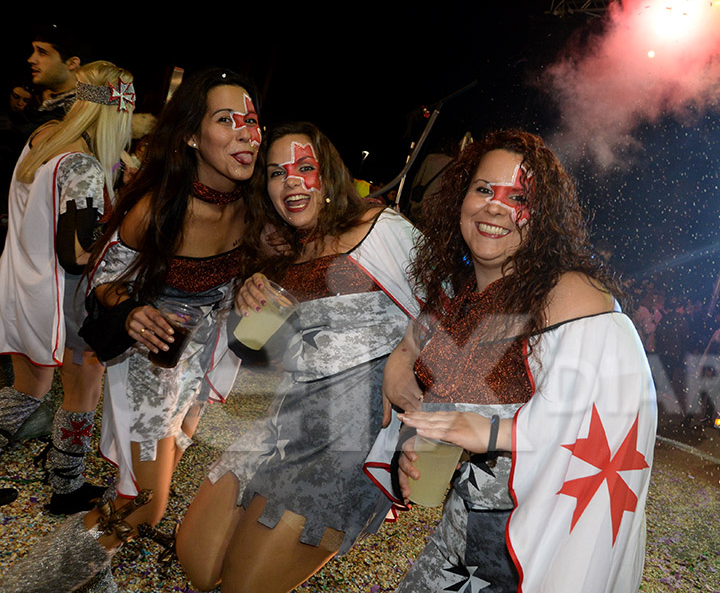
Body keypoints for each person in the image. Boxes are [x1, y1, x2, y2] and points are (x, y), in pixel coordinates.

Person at [0, 67, 259, 592]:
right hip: (149, 366)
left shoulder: (257, 207)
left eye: (252, 120)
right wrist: (131, 307)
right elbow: (101, 279)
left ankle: (88, 576)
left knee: (139, 489)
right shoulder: (158, 206)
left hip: (201, 372)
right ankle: (36, 585)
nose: (246, 132)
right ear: (191, 135)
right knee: (144, 501)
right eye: (226, 119)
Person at [374, 130, 657, 592]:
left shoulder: (572, 299)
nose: (495, 207)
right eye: (484, 189)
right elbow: (433, 378)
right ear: (461, 197)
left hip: (527, 558)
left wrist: (491, 434)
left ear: (542, 217)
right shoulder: (456, 291)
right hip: (454, 545)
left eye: (518, 197)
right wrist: (407, 401)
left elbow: (604, 432)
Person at [175, 122, 420, 592]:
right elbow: (259, 354)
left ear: (328, 177)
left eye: (305, 168)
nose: (291, 181)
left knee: (241, 587)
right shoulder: (282, 252)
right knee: (197, 564)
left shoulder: (382, 231)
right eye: (275, 172)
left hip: (346, 443)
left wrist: (406, 358)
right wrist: (248, 301)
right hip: (282, 425)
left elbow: (455, 313)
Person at [0, 60, 135, 514]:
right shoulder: (83, 165)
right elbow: (77, 254)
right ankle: (66, 486)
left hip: (21, 286)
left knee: (27, 390)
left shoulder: (43, 138)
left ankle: (65, 479)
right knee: (83, 393)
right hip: (65, 299)